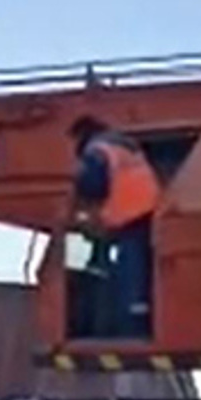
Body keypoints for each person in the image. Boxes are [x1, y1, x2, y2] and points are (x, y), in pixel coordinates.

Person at [69, 115, 161, 339]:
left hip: (128, 215)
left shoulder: (97, 150)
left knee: (128, 272)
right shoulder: (127, 148)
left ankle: (128, 326)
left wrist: (80, 207)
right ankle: (139, 318)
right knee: (140, 269)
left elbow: (92, 184)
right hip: (147, 211)